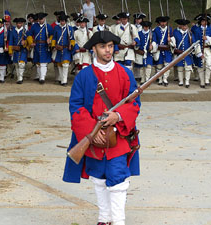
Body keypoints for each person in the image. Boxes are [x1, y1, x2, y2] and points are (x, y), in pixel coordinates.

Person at [63, 30, 141, 225]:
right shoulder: (84, 76)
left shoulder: (125, 73)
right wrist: (91, 133)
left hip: (119, 136)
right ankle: (104, 218)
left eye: (110, 46)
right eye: (103, 47)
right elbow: (76, 107)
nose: (108, 50)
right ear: (94, 49)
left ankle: (119, 221)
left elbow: (134, 103)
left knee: (117, 176)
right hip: (92, 137)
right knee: (97, 176)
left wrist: (118, 115)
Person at [171, 19, 202, 88]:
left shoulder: (190, 34)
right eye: (183, 26)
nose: (185, 27)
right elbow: (173, 42)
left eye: (186, 26)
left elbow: (194, 43)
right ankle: (181, 81)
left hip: (188, 53)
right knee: (180, 68)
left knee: (188, 68)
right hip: (179, 53)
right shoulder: (176, 33)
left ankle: (187, 81)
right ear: (181, 26)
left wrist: (197, 51)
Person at [27, 12, 54, 84]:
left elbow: (52, 35)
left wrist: (50, 39)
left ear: (44, 19)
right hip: (36, 46)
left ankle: (42, 78)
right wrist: (30, 42)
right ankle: (39, 76)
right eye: (39, 19)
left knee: (43, 63)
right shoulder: (34, 26)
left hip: (44, 46)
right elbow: (29, 34)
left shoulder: (48, 26)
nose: (40, 20)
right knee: (38, 63)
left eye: (41, 19)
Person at [192, 14, 211, 88]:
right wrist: (199, 53)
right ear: (200, 22)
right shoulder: (197, 30)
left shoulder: (210, 29)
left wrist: (207, 38)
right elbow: (195, 41)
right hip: (200, 49)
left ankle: (207, 80)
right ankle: (202, 82)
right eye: (203, 21)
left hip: (208, 49)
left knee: (209, 64)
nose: (204, 22)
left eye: (205, 21)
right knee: (200, 66)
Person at [51, 13, 75, 86]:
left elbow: (72, 39)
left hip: (66, 49)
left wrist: (72, 45)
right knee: (59, 65)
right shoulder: (56, 28)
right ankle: (62, 79)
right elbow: (54, 38)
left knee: (65, 64)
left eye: (63, 21)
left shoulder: (70, 28)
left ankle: (64, 80)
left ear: (66, 21)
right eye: (61, 21)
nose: (62, 22)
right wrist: (53, 45)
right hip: (58, 49)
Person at [152, 16, 173, 86]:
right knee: (159, 66)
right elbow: (154, 40)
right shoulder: (156, 30)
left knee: (167, 65)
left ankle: (165, 79)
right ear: (159, 23)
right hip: (159, 50)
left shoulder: (169, 29)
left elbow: (173, 39)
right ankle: (160, 79)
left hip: (167, 50)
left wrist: (170, 40)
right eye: (162, 22)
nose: (163, 23)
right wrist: (154, 46)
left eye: (164, 22)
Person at [134, 20, 155, 85]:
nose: (146, 28)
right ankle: (143, 79)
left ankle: (147, 79)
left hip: (149, 52)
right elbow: (137, 41)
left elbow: (155, 41)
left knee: (148, 66)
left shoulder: (152, 34)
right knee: (142, 67)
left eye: (147, 27)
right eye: (145, 27)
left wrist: (152, 46)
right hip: (141, 52)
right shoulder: (139, 33)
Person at [9, 18, 28, 84]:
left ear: (22, 23)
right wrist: (10, 51)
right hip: (15, 50)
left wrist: (24, 42)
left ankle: (20, 78)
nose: (18, 24)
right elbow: (11, 41)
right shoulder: (13, 31)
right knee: (16, 64)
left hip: (23, 50)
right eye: (17, 23)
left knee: (21, 64)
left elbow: (28, 41)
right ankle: (18, 77)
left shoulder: (25, 31)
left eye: (20, 23)